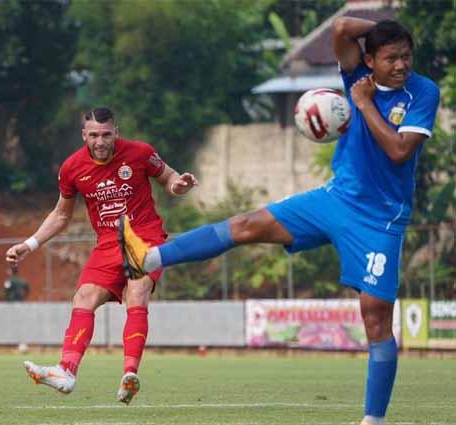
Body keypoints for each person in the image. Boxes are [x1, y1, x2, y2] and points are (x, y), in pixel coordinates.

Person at [118, 19, 439, 425]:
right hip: (335, 198)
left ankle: (372, 420)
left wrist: (362, 104)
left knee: (375, 317)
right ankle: (147, 259)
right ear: (370, 59)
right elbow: (340, 27)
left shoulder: (423, 91)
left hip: (380, 218)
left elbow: (398, 151)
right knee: (246, 224)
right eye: (391, 57)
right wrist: (387, 28)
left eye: (406, 56)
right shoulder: (356, 72)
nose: (401, 65)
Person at [5, 107, 198, 404]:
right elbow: (60, 215)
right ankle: (66, 371)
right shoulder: (71, 168)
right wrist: (28, 245)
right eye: (93, 135)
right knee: (83, 297)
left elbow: (169, 177)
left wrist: (177, 185)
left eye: (106, 134)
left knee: (137, 290)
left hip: (144, 237)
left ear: (116, 132)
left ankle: (129, 374)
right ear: (84, 135)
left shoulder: (140, 153)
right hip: (108, 243)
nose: (100, 141)